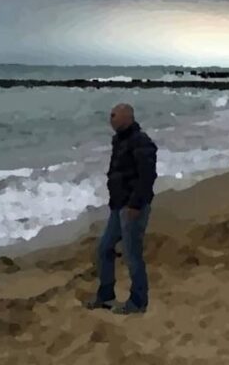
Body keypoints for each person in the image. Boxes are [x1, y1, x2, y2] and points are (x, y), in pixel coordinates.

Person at [85, 102, 158, 315]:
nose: (111, 119)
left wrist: (135, 204)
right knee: (104, 248)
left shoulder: (141, 142)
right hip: (118, 205)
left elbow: (147, 177)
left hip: (132, 207)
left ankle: (138, 301)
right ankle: (106, 295)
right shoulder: (120, 140)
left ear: (127, 117)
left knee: (132, 254)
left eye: (114, 115)